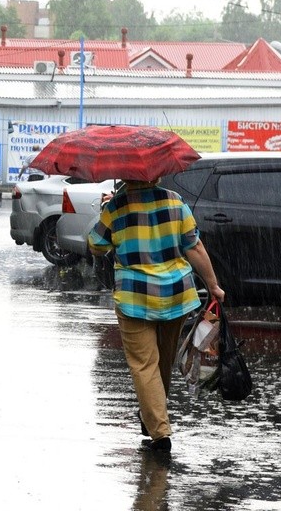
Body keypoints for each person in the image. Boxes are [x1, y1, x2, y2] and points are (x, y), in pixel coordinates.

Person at [88, 179, 225, 454]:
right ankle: (154, 418)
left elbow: (96, 245)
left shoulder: (116, 206)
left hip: (134, 296)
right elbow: (193, 246)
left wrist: (107, 210)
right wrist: (213, 285)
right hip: (175, 294)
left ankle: (159, 432)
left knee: (144, 364)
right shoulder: (175, 200)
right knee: (161, 360)